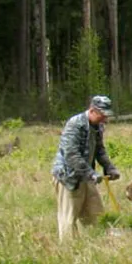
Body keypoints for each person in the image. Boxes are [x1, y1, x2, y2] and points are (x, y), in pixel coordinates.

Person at [51, 94, 120, 241]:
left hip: (86, 176)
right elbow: (71, 155)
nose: (105, 119)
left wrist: (109, 168)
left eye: (106, 116)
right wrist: (90, 173)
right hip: (68, 177)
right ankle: (68, 251)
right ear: (92, 110)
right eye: (102, 115)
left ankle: (101, 243)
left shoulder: (98, 126)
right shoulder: (75, 124)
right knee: (69, 218)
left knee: (97, 214)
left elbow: (99, 150)